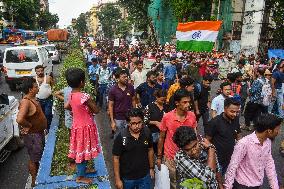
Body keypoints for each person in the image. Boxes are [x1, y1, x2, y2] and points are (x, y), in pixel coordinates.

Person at [224, 114, 282, 189]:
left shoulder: (267, 142)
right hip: (241, 185)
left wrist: (275, 186)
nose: (279, 132)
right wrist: (228, 187)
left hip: (256, 184)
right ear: (269, 131)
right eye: (277, 129)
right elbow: (233, 166)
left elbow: (269, 163)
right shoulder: (244, 143)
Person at [64, 68, 101, 184]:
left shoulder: (71, 95)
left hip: (77, 126)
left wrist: (76, 110)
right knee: (82, 150)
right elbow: (96, 110)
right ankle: (80, 177)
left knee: (82, 149)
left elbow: (66, 106)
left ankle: (83, 170)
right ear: (81, 82)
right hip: (85, 127)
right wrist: (88, 106)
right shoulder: (84, 96)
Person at [157, 89, 197, 189]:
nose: (188, 104)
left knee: (188, 182)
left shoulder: (192, 116)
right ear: (177, 103)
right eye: (185, 102)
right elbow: (161, 137)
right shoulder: (167, 117)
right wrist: (159, 157)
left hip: (188, 157)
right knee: (173, 182)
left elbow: (195, 135)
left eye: (189, 101)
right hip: (171, 157)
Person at [112, 108, 154, 189]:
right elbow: (116, 158)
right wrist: (117, 179)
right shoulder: (121, 137)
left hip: (144, 176)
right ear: (128, 123)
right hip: (128, 178)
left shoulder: (147, 132)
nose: (137, 126)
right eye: (133, 123)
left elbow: (150, 149)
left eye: (139, 123)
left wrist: (151, 168)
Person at [16, 77, 47, 187]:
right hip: (33, 136)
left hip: (38, 133)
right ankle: (34, 182)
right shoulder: (26, 102)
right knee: (34, 159)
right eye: (35, 86)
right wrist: (29, 125)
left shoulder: (33, 99)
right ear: (30, 89)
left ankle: (38, 178)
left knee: (37, 158)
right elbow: (19, 119)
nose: (38, 88)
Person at [206, 97, 241, 175]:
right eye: (232, 111)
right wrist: (211, 157)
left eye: (237, 112)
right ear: (225, 109)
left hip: (231, 159)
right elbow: (207, 140)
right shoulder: (215, 122)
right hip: (218, 161)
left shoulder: (235, 119)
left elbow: (238, 136)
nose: (235, 114)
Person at [108, 69, 136, 138]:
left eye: (127, 77)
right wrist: (112, 121)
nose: (126, 78)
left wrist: (134, 114)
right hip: (118, 118)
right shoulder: (113, 90)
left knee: (129, 137)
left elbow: (133, 100)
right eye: (123, 77)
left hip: (129, 117)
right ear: (118, 78)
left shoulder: (131, 87)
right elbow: (110, 105)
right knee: (118, 138)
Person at [144, 89, 167, 154]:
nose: (163, 102)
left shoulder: (166, 107)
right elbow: (145, 120)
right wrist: (155, 122)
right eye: (161, 100)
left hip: (164, 134)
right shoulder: (150, 106)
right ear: (156, 97)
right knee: (151, 150)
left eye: (164, 100)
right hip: (152, 133)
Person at [34, 65, 54, 131]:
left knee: (48, 114)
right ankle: (43, 128)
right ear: (36, 72)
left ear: (44, 71)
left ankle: (49, 128)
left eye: (41, 71)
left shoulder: (48, 78)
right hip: (38, 101)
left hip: (48, 99)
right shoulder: (34, 79)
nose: (40, 72)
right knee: (41, 115)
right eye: (38, 71)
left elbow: (53, 86)